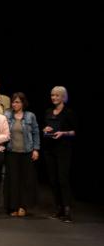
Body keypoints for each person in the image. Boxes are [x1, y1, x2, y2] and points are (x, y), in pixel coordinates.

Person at [42, 86, 76, 223]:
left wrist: (64, 133)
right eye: (52, 95)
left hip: (63, 149)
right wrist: (45, 129)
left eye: (57, 95)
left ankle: (67, 210)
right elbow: (45, 128)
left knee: (62, 180)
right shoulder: (48, 111)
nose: (54, 98)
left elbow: (75, 132)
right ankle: (59, 208)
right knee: (53, 180)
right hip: (50, 149)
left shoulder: (69, 112)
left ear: (63, 97)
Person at [3, 92, 40, 217]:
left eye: (17, 102)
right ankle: (13, 206)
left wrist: (36, 149)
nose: (14, 104)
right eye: (13, 102)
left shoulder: (30, 116)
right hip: (11, 152)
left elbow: (36, 132)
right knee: (13, 180)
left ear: (23, 103)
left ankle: (23, 206)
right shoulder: (7, 115)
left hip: (26, 152)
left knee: (26, 180)